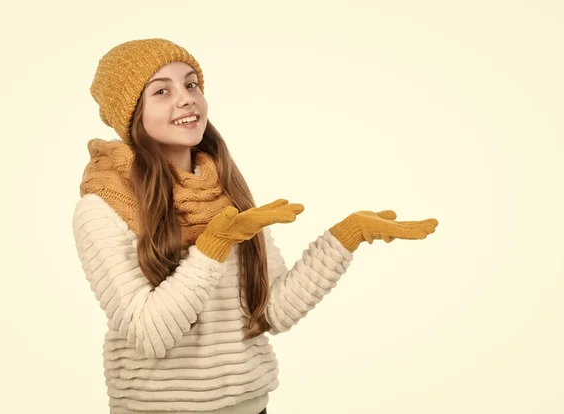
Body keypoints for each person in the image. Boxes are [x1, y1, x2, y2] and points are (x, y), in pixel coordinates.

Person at [71, 38, 439, 414]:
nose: (186, 99)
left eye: (192, 83)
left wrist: (345, 238)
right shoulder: (101, 207)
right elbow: (150, 334)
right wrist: (213, 246)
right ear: (131, 113)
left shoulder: (224, 191)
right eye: (161, 90)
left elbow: (272, 312)